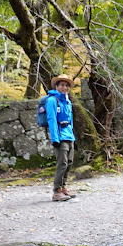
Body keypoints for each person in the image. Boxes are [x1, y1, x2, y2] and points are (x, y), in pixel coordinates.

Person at [47, 74, 77, 202]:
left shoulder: (68, 101)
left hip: (69, 136)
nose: (64, 87)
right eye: (62, 85)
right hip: (60, 137)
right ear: (57, 86)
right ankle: (56, 191)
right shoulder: (52, 100)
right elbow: (52, 120)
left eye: (67, 85)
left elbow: (70, 121)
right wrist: (55, 139)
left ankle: (63, 187)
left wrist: (74, 137)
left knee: (69, 163)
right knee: (62, 164)